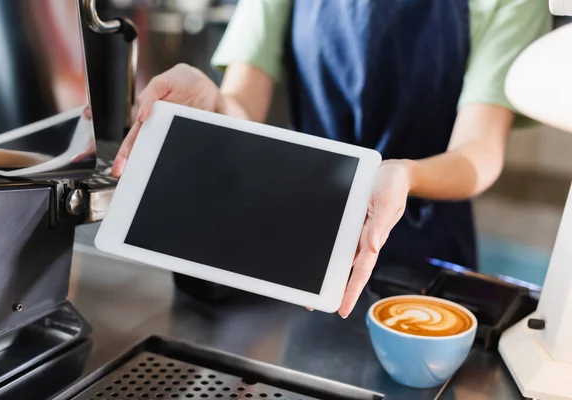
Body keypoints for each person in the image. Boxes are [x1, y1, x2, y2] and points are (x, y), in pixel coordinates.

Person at [111, 0, 552, 318]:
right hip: (308, 244)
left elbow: (478, 152)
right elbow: (241, 105)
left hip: (428, 254)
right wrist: (214, 105)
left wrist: (403, 173)